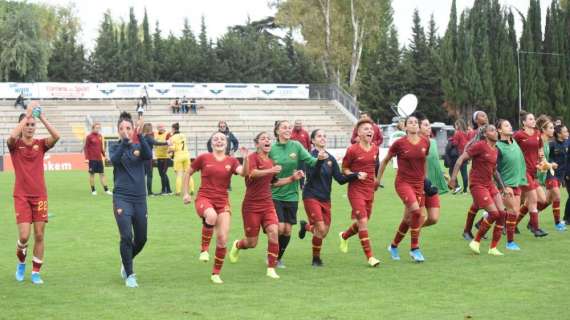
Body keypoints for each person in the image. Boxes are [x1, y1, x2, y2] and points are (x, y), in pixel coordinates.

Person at [228, 132, 304, 279]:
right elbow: (252, 173)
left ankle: (271, 268)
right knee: (251, 243)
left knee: (274, 231)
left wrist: (292, 178)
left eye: (269, 138)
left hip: (268, 204)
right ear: (257, 144)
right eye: (263, 139)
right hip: (251, 206)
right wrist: (271, 170)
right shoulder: (251, 158)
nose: (267, 140)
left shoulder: (271, 162)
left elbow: (273, 183)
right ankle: (238, 245)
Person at [182, 132, 247, 284]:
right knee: (211, 216)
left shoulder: (232, 160)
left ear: (227, 143)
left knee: (223, 239)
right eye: (216, 139)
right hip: (204, 198)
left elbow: (243, 173)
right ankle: (204, 250)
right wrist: (185, 193)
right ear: (211, 143)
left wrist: (245, 158)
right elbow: (188, 173)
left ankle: (215, 274)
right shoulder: (203, 158)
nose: (219, 141)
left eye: (222, 139)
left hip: (222, 201)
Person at [8, 101, 60, 285]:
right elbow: (11, 136)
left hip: (40, 196)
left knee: (39, 234)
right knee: (24, 236)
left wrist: (40, 117)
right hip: (21, 196)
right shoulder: (14, 146)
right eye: (27, 124)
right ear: (22, 126)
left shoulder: (41, 144)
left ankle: (36, 272)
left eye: (32, 125)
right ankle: (21, 263)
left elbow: (56, 136)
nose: (30, 127)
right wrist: (26, 115)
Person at [298, 129, 361, 266]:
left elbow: (339, 179)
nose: (322, 138)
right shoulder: (309, 156)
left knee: (324, 232)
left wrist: (355, 175)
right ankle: (316, 259)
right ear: (313, 141)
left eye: (324, 136)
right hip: (311, 196)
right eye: (319, 136)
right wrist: (320, 160)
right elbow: (313, 174)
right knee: (320, 228)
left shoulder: (331, 158)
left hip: (325, 199)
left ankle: (306, 227)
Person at [379, 115, 430, 262]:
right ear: (405, 127)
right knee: (416, 212)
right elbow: (385, 160)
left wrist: (424, 179)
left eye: (416, 122)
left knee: (408, 219)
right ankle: (415, 248)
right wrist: (377, 180)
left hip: (418, 184)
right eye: (410, 123)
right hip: (403, 183)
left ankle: (394, 245)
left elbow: (424, 161)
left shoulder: (425, 142)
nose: (414, 124)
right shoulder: (399, 144)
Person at [269, 120, 320, 268]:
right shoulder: (271, 149)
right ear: (277, 131)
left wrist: (321, 159)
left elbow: (311, 161)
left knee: (287, 229)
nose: (288, 129)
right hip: (274, 193)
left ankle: (278, 258)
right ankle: (271, 253)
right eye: (284, 127)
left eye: (289, 127)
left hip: (292, 194)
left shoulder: (296, 146)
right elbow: (263, 166)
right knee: (279, 227)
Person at [451, 124, 507, 256]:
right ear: (485, 134)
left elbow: (494, 171)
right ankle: (475, 241)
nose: (496, 132)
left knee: (503, 214)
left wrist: (503, 188)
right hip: (477, 185)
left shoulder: (495, 150)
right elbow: (460, 160)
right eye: (492, 130)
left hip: (489, 185)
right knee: (494, 214)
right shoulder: (480, 146)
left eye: (495, 130)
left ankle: (493, 248)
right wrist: (453, 178)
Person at [109, 112, 152, 288]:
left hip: (140, 199)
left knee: (141, 239)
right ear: (118, 131)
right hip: (122, 198)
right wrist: (125, 143)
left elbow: (148, 156)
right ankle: (129, 274)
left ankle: (126, 259)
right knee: (126, 237)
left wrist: (140, 136)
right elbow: (114, 160)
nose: (125, 131)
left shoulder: (139, 144)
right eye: (121, 128)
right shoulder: (114, 147)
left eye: (128, 128)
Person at [338, 118, 381, 267]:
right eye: (366, 129)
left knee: (362, 221)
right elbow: (344, 169)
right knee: (363, 222)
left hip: (369, 190)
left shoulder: (375, 148)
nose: (370, 131)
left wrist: (375, 180)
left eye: (371, 128)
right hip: (355, 190)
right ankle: (370, 257)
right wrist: (355, 174)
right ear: (358, 133)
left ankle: (344, 236)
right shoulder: (352, 150)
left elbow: (374, 166)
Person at [514, 111, 548, 237]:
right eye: (530, 119)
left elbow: (540, 151)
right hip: (523, 172)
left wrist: (544, 163)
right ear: (524, 122)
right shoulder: (518, 135)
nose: (533, 121)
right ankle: (535, 228)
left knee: (541, 199)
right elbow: (511, 149)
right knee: (533, 199)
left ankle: (509, 224)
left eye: (534, 119)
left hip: (534, 172)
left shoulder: (538, 134)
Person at [495, 119, 527, 251]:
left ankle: (486, 221)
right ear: (499, 130)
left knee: (514, 211)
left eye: (510, 124)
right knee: (513, 211)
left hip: (517, 183)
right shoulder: (498, 146)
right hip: (506, 184)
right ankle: (510, 242)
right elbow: (494, 169)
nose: (510, 126)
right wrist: (502, 187)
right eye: (506, 125)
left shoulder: (514, 142)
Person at [462, 111, 490, 240]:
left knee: (481, 204)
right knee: (481, 204)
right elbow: (468, 147)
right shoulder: (477, 133)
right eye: (481, 116)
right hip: (479, 173)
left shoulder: (491, 130)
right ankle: (470, 229)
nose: (485, 117)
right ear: (476, 120)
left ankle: (477, 226)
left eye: (485, 115)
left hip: (491, 172)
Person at [535, 116, 566, 231]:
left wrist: (549, 164)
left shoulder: (547, 142)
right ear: (544, 130)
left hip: (550, 173)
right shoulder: (542, 142)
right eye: (551, 128)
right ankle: (557, 223)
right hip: (539, 174)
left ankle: (530, 221)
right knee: (556, 196)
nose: (554, 130)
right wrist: (551, 165)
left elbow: (544, 159)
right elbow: (540, 160)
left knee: (545, 201)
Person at [84, 123, 112, 196]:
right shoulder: (89, 137)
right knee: (92, 174)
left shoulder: (100, 136)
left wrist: (104, 155)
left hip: (99, 159)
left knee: (102, 174)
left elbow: (101, 148)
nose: (98, 129)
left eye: (99, 128)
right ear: (93, 128)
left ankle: (106, 190)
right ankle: (93, 190)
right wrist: (87, 158)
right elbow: (86, 148)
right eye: (96, 128)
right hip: (92, 159)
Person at [141, 123, 168, 196]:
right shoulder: (148, 137)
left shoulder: (142, 136)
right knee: (149, 175)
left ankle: (141, 191)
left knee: (142, 175)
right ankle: (149, 192)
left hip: (141, 159)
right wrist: (166, 142)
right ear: (149, 129)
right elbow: (156, 143)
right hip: (148, 158)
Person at [169, 123, 194, 197]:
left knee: (179, 174)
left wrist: (169, 151)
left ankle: (178, 191)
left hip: (178, 156)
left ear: (173, 129)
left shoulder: (172, 137)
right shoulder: (183, 135)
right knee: (188, 173)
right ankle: (192, 189)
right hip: (186, 155)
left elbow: (173, 148)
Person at [291, 119, 311, 189]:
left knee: (302, 170)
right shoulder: (290, 133)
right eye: (296, 124)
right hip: (292, 156)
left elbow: (309, 144)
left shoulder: (305, 133)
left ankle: (302, 185)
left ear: (301, 125)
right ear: (294, 124)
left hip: (302, 156)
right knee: (292, 170)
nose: (298, 125)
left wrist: (309, 154)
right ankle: (292, 185)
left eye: (299, 124)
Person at [450, 119, 469, 194]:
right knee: (464, 172)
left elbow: (455, 143)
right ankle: (465, 189)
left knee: (452, 170)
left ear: (458, 125)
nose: (455, 126)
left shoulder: (457, 133)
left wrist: (451, 140)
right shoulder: (466, 133)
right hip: (465, 154)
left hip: (458, 155)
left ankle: (457, 186)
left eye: (456, 125)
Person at [154, 124, 172, 195]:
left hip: (165, 157)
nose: (160, 129)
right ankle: (169, 190)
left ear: (164, 127)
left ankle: (163, 190)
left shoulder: (167, 134)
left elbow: (169, 143)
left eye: (161, 127)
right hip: (159, 156)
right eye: (158, 127)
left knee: (163, 173)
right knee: (162, 174)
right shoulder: (156, 134)